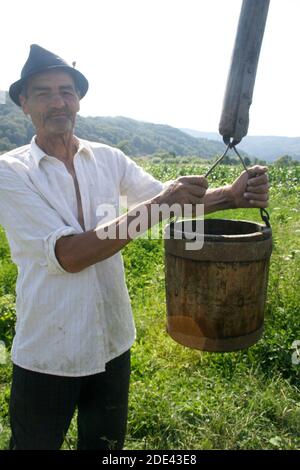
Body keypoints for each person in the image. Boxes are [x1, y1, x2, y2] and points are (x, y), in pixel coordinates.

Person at [0, 45, 269, 450]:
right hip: (48, 353)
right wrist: (161, 206)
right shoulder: (11, 172)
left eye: (66, 91)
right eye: (43, 92)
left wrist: (232, 195)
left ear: (78, 101)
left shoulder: (108, 158)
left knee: (106, 448)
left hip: (112, 343)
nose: (58, 102)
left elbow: (172, 201)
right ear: (24, 103)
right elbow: (70, 256)